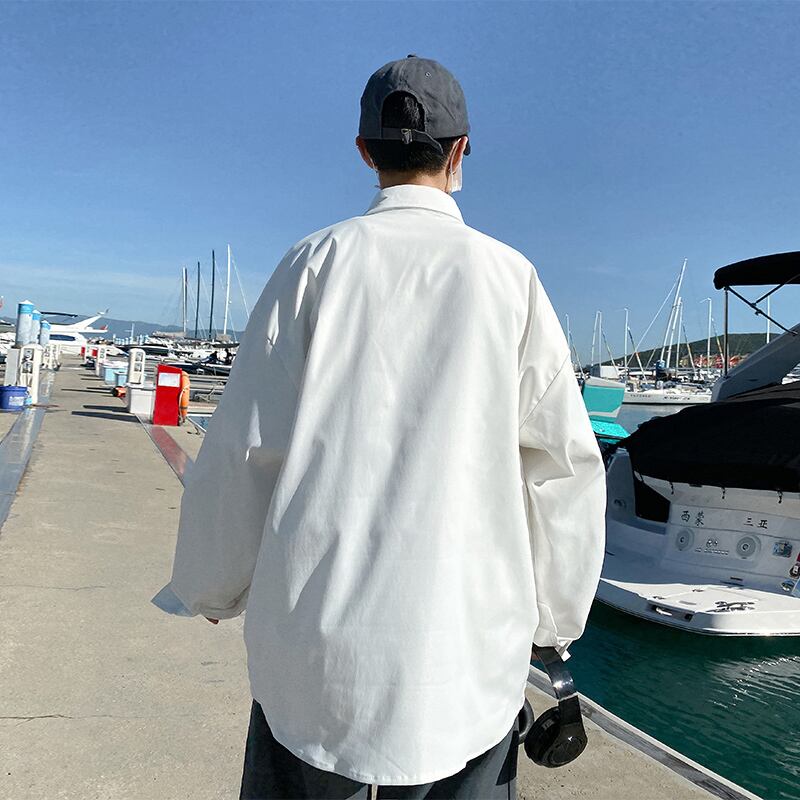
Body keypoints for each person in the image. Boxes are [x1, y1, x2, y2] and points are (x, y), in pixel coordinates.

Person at [153, 55, 606, 799]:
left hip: (313, 650)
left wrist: (212, 584)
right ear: (462, 150)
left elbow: (245, 449)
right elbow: (561, 469)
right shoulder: (510, 278)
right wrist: (554, 622)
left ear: (365, 151)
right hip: (465, 655)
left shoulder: (312, 264)